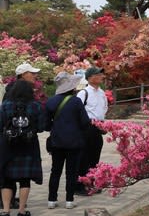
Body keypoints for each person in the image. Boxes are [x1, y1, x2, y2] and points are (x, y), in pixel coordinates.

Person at [44, 72, 91, 210]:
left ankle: (52, 199)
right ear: (71, 87)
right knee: (71, 171)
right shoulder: (76, 101)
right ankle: (69, 200)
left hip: (56, 141)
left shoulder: (51, 101)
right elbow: (85, 122)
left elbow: (46, 125)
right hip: (74, 142)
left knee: (55, 171)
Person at [0, 80, 44, 216]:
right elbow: (41, 127)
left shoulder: (6, 105)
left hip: (8, 146)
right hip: (28, 146)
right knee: (25, 179)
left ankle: (6, 210)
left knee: (6, 179)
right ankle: (22, 211)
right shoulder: (35, 105)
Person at [75, 66, 108, 195]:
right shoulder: (84, 93)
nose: (101, 76)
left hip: (98, 127)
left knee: (95, 157)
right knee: (84, 157)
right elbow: (77, 110)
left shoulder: (102, 93)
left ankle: (92, 182)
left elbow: (104, 108)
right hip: (86, 127)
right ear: (90, 77)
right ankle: (80, 185)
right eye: (98, 74)